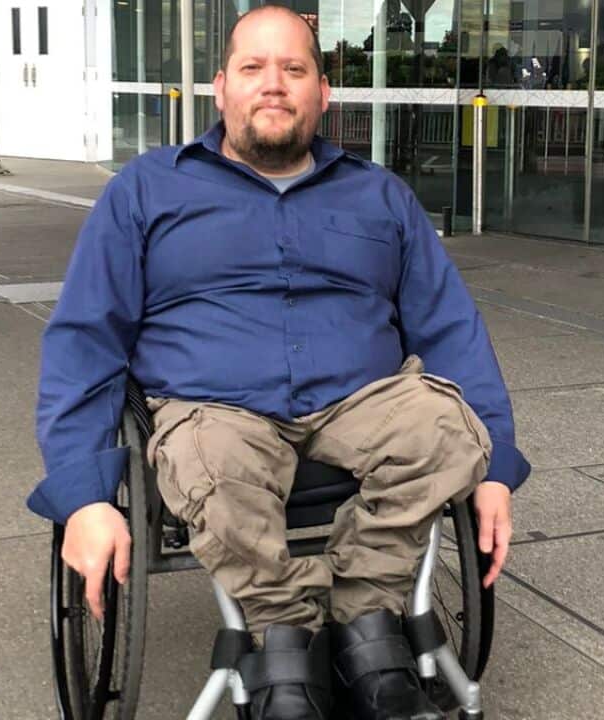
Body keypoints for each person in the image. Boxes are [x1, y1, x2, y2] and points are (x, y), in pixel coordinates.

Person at [27, 6, 531, 720]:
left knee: (446, 430)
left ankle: (364, 615)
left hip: (360, 399)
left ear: (322, 93)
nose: (274, 85)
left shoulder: (380, 196)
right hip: (214, 405)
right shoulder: (145, 191)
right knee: (213, 461)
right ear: (220, 87)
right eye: (254, 68)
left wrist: (497, 470)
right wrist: (83, 496)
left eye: (294, 69)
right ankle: (282, 634)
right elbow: (85, 336)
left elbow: (451, 328)